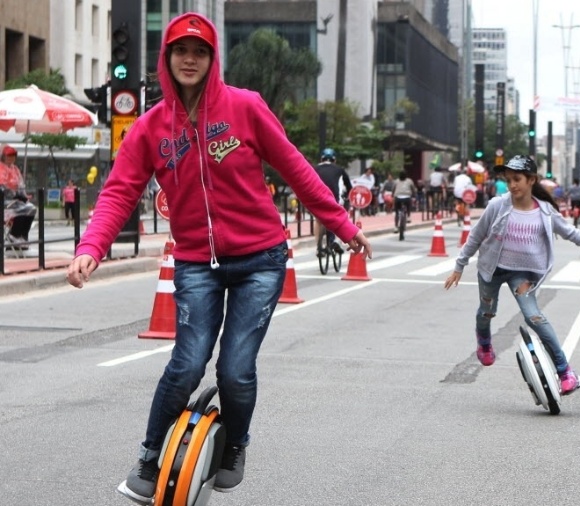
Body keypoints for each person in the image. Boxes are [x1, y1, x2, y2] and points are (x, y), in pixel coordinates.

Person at [64, 13, 372, 504]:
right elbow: (119, 192)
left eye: (200, 51)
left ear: (212, 59)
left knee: (235, 369)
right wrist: (90, 249)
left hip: (261, 260)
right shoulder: (149, 129)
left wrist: (343, 225)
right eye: (180, 51)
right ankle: (148, 457)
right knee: (186, 364)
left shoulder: (245, 108)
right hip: (194, 263)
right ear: (166, 59)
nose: (190, 59)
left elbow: (295, 168)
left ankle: (235, 445)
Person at [444, 155, 580, 395]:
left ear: (531, 180)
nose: (512, 185)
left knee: (534, 317)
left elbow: (571, 232)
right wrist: (459, 266)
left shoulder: (545, 213)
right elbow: (476, 236)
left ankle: (565, 372)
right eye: (508, 180)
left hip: (522, 275)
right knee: (487, 311)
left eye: (517, 179)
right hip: (492, 270)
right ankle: (483, 340)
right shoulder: (497, 206)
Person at [313, 148, 352, 256]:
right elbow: (349, 187)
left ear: (322, 159)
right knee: (340, 218)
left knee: (318, 220)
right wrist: (348, 196)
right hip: (333, 199)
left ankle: (318, 247)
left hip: (316, 199)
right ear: (334, 160)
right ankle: (335, 241)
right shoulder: (339, 170)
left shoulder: (315, 168)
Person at [1, 145, 36, 248]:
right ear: (3, 156)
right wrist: (15, 194)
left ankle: (22, 236)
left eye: (13, 156)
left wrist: (24, 195)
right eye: (8, 156)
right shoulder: (1, 168)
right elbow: (3, 186)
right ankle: (14, 234)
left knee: (32, 208)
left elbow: (20, 184)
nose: (11, 158)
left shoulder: (15, 169)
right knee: (23, 209)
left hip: (16, 200)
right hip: (5, 202)